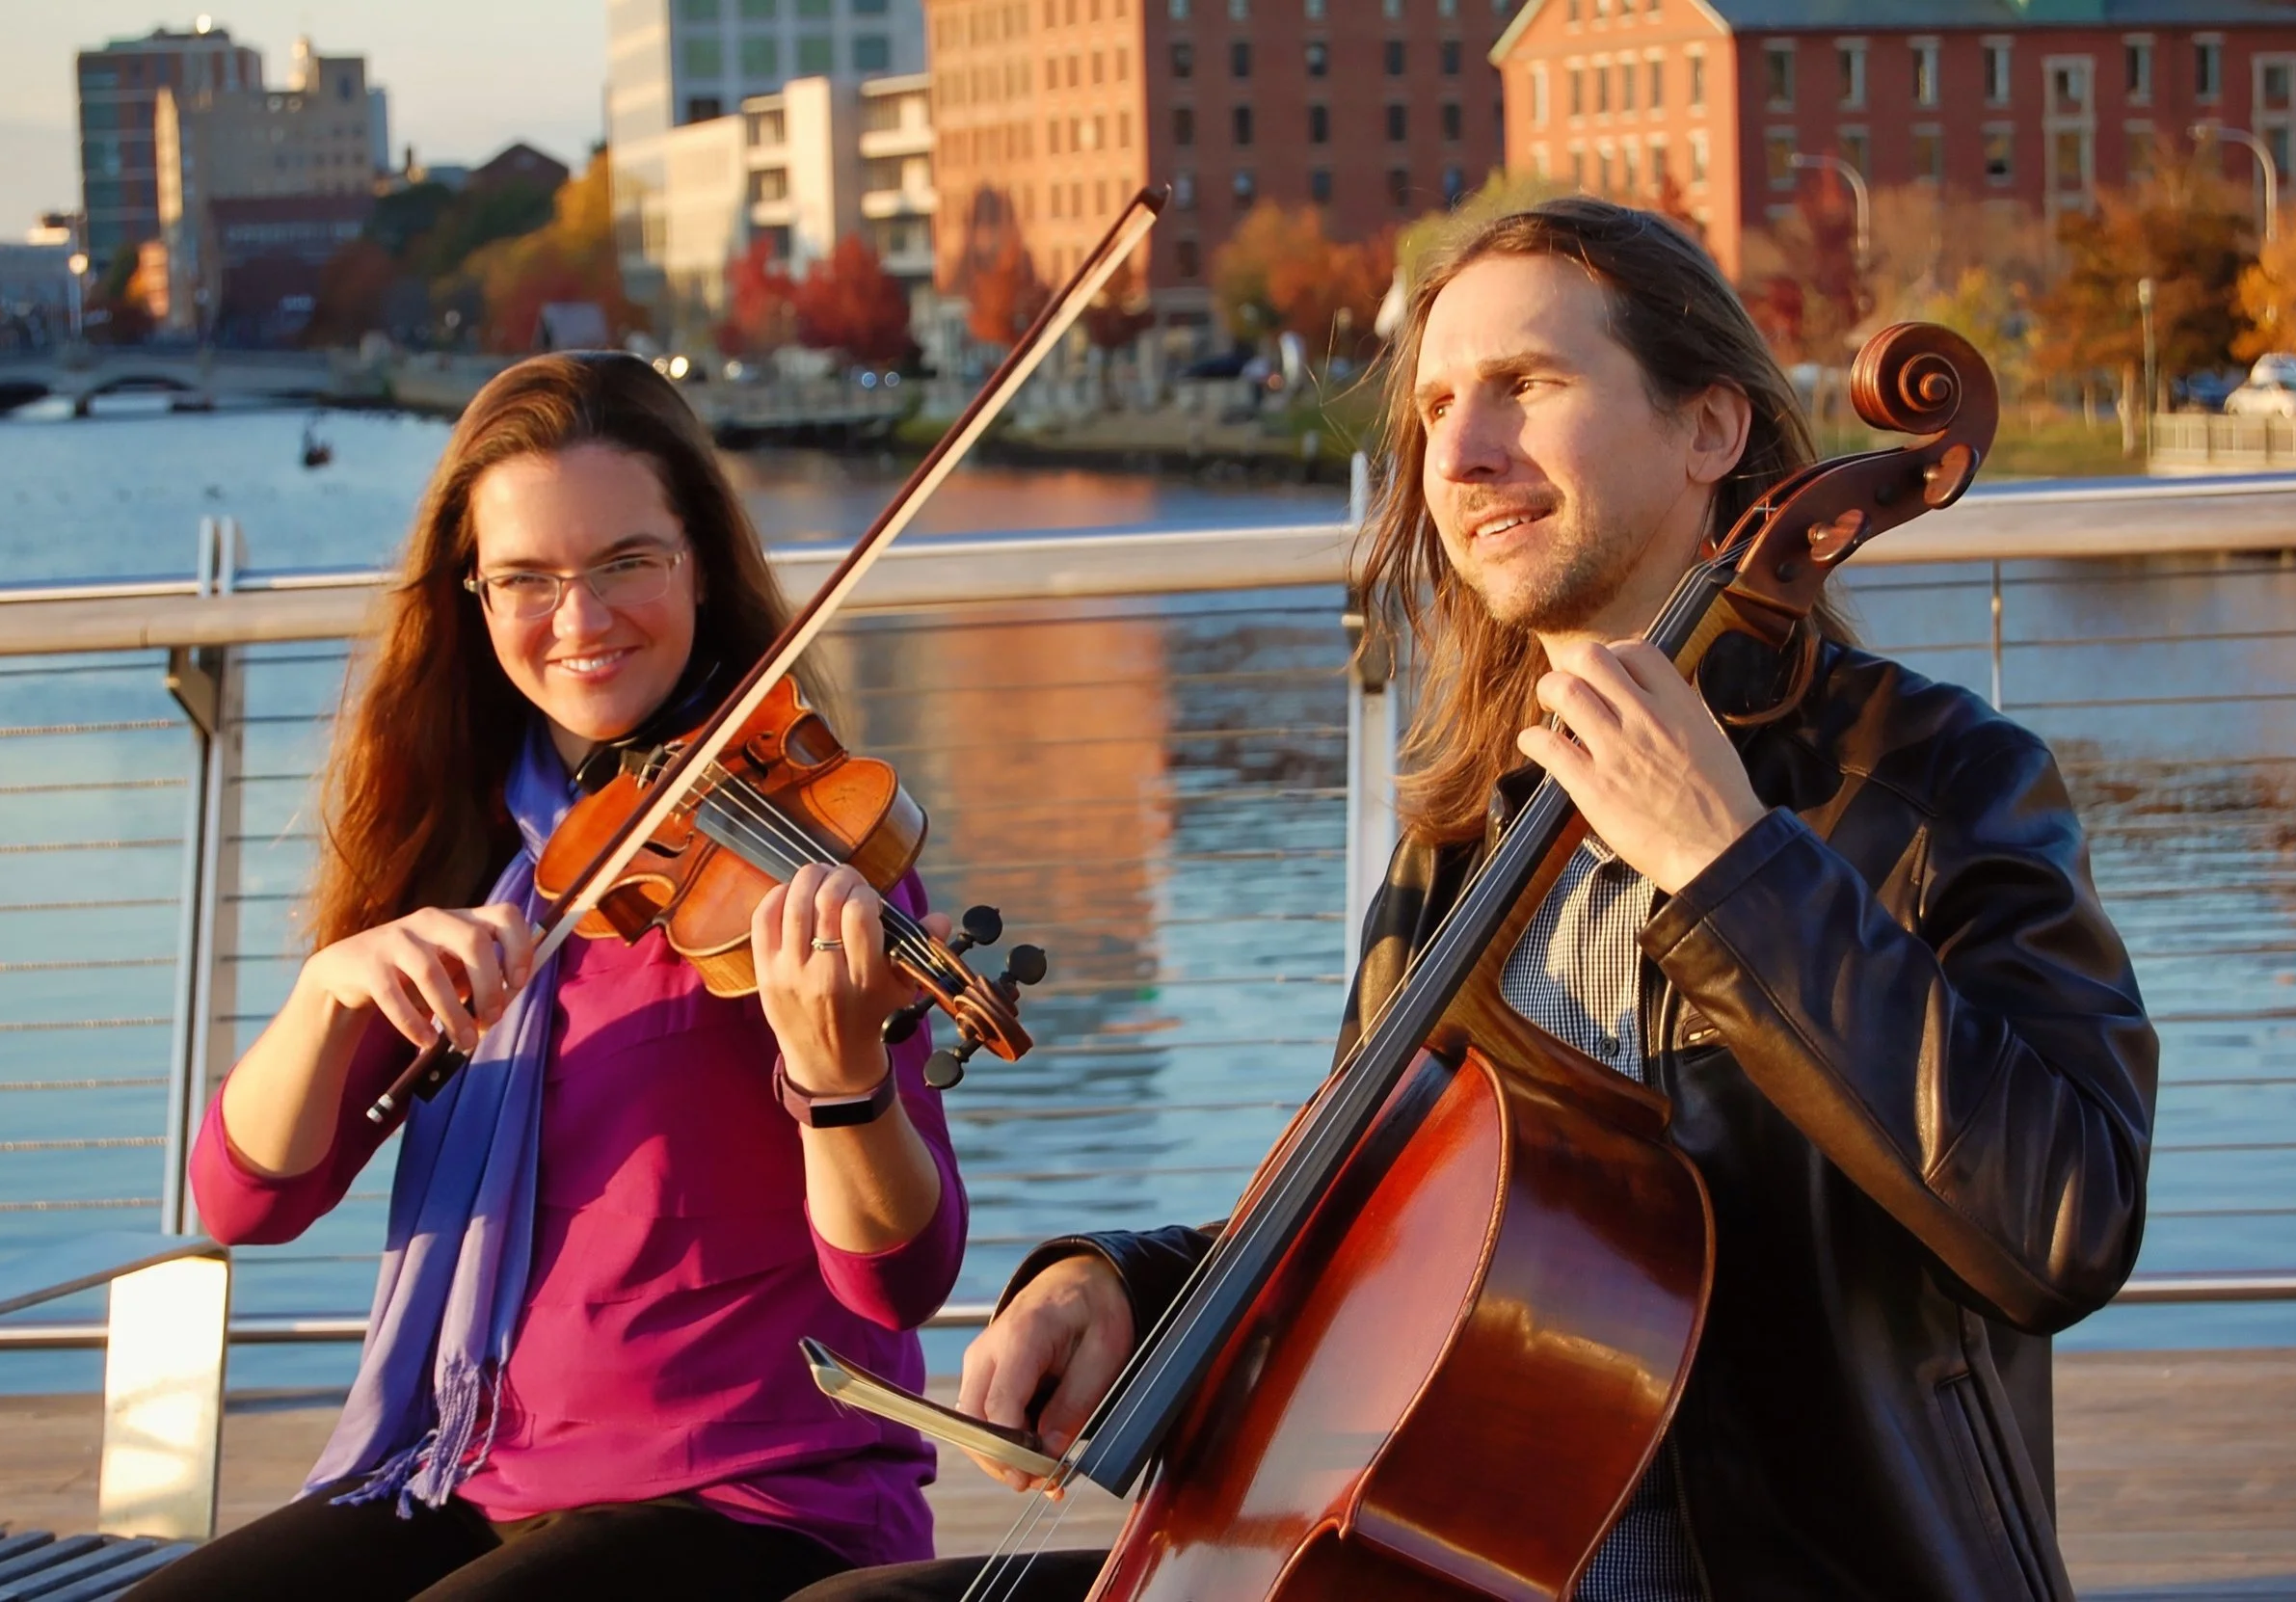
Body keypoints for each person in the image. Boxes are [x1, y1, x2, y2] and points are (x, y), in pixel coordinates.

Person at [790, 199, 2157, 1602]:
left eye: (1527, 385)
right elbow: (1373, 1235)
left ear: (1710, 429)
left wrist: (1735, 870)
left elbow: (2064, 1224)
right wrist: (1127, 1291)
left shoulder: (1933, 786)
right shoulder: (1467, 836)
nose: (1459, 455)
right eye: (1439, 405)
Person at [131, 353, 968, 1602]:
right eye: (526, 578)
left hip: (753, 1495)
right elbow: (247, 1200)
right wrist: (328, 992)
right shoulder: (468, 849)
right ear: (472, 596)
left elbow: (902, 1276)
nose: (580, 621)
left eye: (627, 562)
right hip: (468, 1474)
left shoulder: (804, 855)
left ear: (699, 563)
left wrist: (844, 1082)